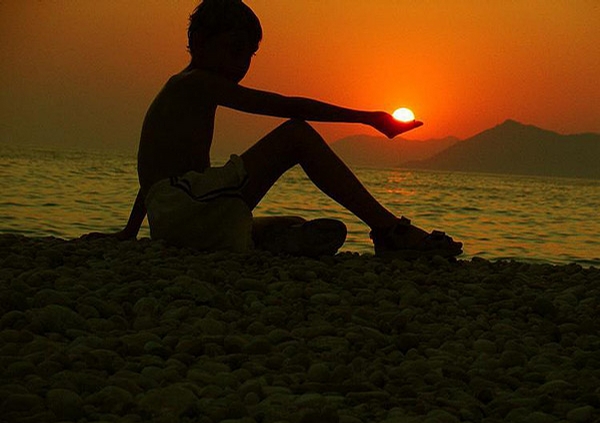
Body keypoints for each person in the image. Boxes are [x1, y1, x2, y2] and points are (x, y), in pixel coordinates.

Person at [86, 0, 462, 259]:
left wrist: (131, 232)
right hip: (185, 208)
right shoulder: (196, 83)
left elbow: (155, 178)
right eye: (234, 50)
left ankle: (277, 238)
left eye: (248, 56)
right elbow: (286, 107)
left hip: (183, 213)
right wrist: (369, 118)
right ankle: (387, 229)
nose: (241, 64)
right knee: (296, 133)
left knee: (285, 222)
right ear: (199, 43)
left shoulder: (184, 89)